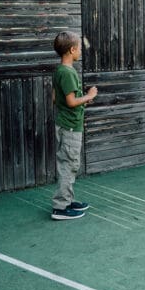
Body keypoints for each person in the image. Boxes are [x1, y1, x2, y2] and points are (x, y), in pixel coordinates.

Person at [51, 32, 98, 220]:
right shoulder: (68, 72)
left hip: (66, 124)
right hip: (70, 127)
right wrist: (89, 96)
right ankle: (61, 207)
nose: (80, 51)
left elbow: (56, 98)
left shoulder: (60, 71)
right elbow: (70, 102)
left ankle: (68, 201)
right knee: (68, 165)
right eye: (78, 48)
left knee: (70, 164)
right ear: (72, 50)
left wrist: (82, 101)